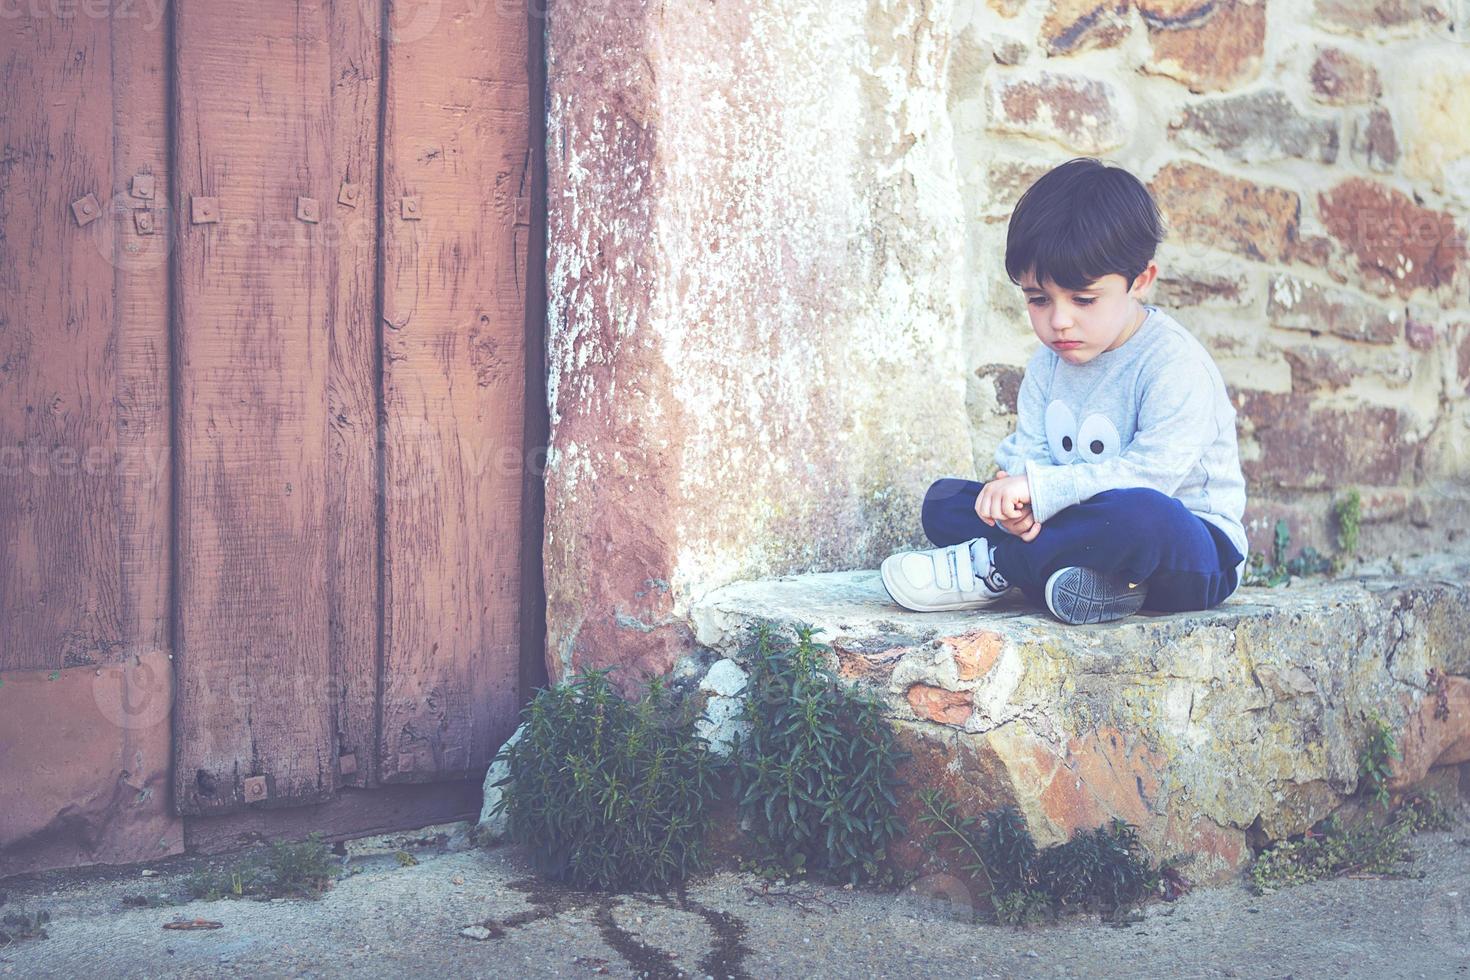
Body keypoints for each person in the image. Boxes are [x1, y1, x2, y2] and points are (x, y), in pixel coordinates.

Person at [880, 157, 1248, 625]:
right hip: (1081, 525)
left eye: (1084, 299)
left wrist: (1037, 490)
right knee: (944, 503)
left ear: (1140, 281)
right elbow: (1030, 451)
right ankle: (1097, 586)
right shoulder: (1049, 362)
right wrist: (1014, 497)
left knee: (1139, 515)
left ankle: (997, 565)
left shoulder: (1174, 364)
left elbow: (1152, 477)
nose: (1059, 321)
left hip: (1194, 553)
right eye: (1038, 299)